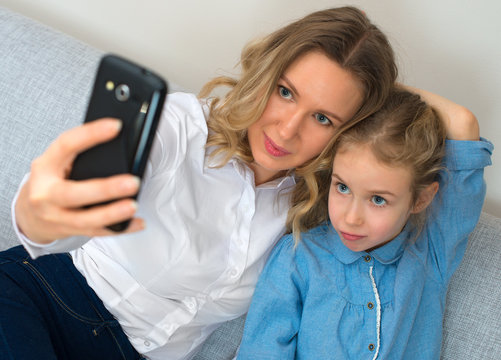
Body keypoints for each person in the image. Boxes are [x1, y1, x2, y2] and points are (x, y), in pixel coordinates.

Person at [0, 7, 398, 360]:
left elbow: (458, 134)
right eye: (285, 92)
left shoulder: (317, 205)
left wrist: (382, 101)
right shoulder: (180, 127)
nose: (288, 128)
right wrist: (43, 215)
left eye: (323, 118)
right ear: (264, 73)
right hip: (46, 298)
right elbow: (55, 213)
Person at [236, 87, 493, 359]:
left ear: (420, 199)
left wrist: (379, 85)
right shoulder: (299, 255)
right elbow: (261, 351)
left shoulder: (430, 252)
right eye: (343, 188)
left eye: (378, 200)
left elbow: (463, 123)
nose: (350, 218)